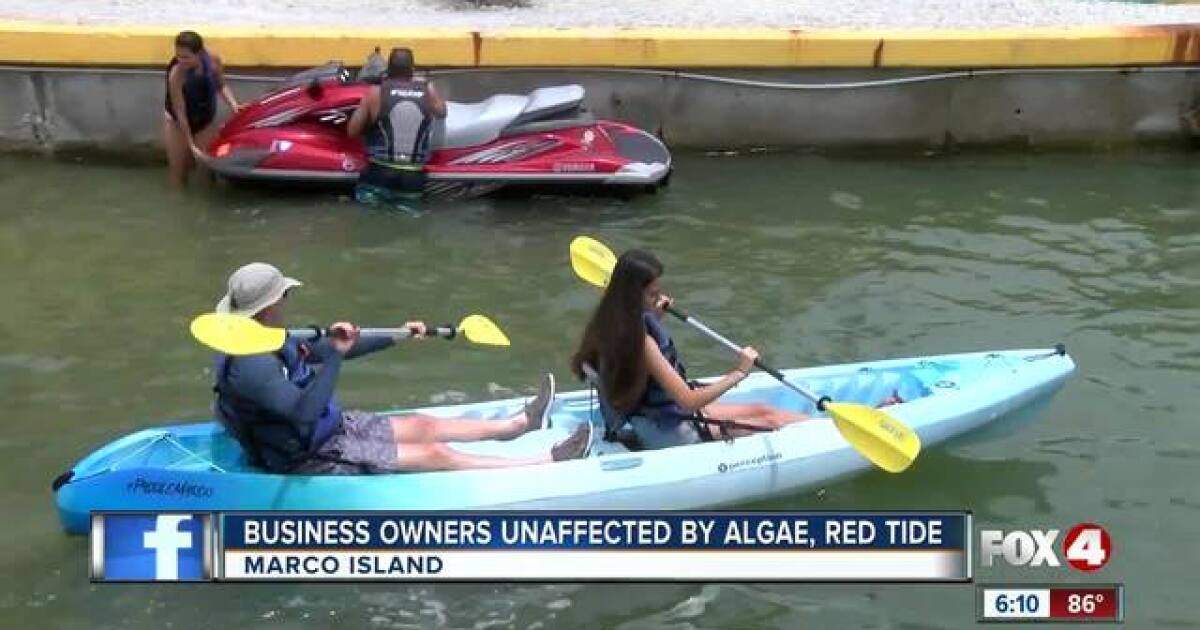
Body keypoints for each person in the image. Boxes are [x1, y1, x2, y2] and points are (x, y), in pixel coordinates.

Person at [211, 262, 589, 474]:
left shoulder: (266, 332)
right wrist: (338, 356)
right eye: (284, 296)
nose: (288, 300)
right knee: (433, 453)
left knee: (425, 425)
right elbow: (303, 409)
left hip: (329, 427)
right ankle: (543, 462)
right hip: (305, 457)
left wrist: (397, 336)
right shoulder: (250, 363)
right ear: (268, 306)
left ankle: (520, 425)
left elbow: (323, 350)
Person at [347, 47, 447, 206]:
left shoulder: (375, 93)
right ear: (412, 69)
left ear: (388, 70)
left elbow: (352, 131)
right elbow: (442, 112)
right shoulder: (428, 90)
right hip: (413, 177)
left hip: (379, 173)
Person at [164, 30, 240, 188]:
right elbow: (180, 112)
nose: (180, 61)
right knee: (178, 173)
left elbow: (221, 85)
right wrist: (191, 145)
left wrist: (234, 105)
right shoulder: (176, 75)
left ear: (199, 53)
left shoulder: (213, 61)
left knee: (206, 172)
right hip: (177, 122)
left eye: (186, 57)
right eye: (178, 56)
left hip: (204, 120)